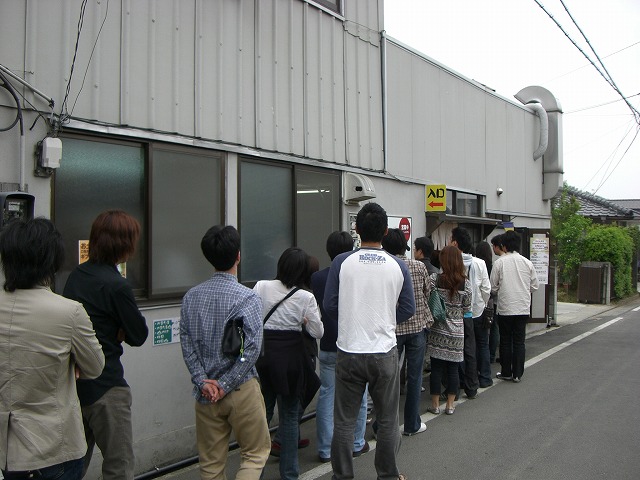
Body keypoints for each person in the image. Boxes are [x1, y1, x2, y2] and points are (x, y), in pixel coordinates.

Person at [1, 218, 105, 480]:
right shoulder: (69, 312)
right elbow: (95, 366)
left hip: (7, 449)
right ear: (52, 261)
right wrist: (71, 363)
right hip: (54, 445)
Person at [324, 202, 415, 480]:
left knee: (344, 421)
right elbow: (408, 308)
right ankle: (387, 475)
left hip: (348, 350)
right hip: (384, 351)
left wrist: (351, 319)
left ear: (357, 230)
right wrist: (385, 319)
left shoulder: (341, 262)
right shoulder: (398, 266)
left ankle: (342, 476)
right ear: (386, 231)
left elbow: (329, 305)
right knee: (387, 420)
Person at [63, 210, 149, 479]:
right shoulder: (117, 286)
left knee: (73, 466)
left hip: (75, 385)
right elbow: (139, 335)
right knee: (118, 467)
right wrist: (119, 330)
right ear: (124, 244)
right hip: (107, 386)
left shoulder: (77, 276)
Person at [180, 225, 271, 479]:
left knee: (210, 465)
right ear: (238, 256)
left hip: (206, 393)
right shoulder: (247, 297)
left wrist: (202, 381)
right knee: (254, 455)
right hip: (241, 389)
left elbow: (187, 344)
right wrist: (226, 383)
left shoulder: (191, 297)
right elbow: (251, 349)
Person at [253, 247, 324, 480]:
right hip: (291, 362)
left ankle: (255, 472)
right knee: (290, 416)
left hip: (264, 359)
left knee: (261, 416)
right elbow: (318, 332)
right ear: (303, 271)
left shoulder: (261, 286)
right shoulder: (305, 297)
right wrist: (303, 321)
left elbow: (252, 317)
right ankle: (290, 474)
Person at [312, 232, 370, 463]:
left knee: (327, 394)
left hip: (328, 343)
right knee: (360, 394)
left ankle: (325, 448)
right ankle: (357, 442)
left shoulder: (317, 278)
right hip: (354, 343)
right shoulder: (358, 276)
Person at [382, 228, 433, 436]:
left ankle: (382, 426)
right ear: (404, 246)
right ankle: (412, 424)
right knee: (415, 377)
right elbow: (427, 292)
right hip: (417, 327)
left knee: (389, 378)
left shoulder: (385, 267)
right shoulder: (419, 266)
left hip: (392, 329)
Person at [426, 245, 472, 416]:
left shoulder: (434, 279)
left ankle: (435, 405)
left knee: (436, 369)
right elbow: (467, 308)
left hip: (438, 330)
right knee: (453, 369)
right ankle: (450, 406)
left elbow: (428, 298)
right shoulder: (466, 284)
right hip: (457, 332)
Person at [490, 231, 540, 383]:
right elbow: (535, 286)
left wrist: (502, 289)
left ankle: (506, 372)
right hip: (522, 307)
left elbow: (493, 287)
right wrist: (523, 289)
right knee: (519, 341)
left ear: (504, 246)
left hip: (505, 307)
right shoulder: (527, 263)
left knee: (505, 340)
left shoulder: (499, 263)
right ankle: (517, 374)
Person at [450, 227, 491, 395]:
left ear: (455, 243)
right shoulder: (480, 263)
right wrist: (481, 303)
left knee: (460, 348)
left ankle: (461, 381)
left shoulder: (451, 262)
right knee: (480, 345)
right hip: (477, 311)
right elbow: (486, 288)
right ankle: (483, 378)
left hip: (459, 313)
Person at [488, 234, 506, 363]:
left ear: (497, 246)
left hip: (497, 301)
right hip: (510, 302)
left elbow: (493, 287)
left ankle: (492, 354)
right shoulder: (522, 261)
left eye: (493, 246)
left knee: (495, 328)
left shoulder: (498, 263)